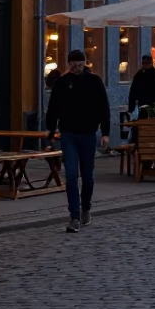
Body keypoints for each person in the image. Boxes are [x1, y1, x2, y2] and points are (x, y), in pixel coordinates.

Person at [46, 49, 110, 233]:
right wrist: (50, 130)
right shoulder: (62, 83)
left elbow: (103, 108)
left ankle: (86, 207)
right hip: (69, 134)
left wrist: (105, 132)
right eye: (73, 63)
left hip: (89, 134)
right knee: (72, 175)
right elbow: (53, 108)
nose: (76, 67)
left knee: (88, 177)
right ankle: (74, 216)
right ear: (69, 64)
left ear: (85, 63)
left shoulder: (94, 82)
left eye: (79, 64)